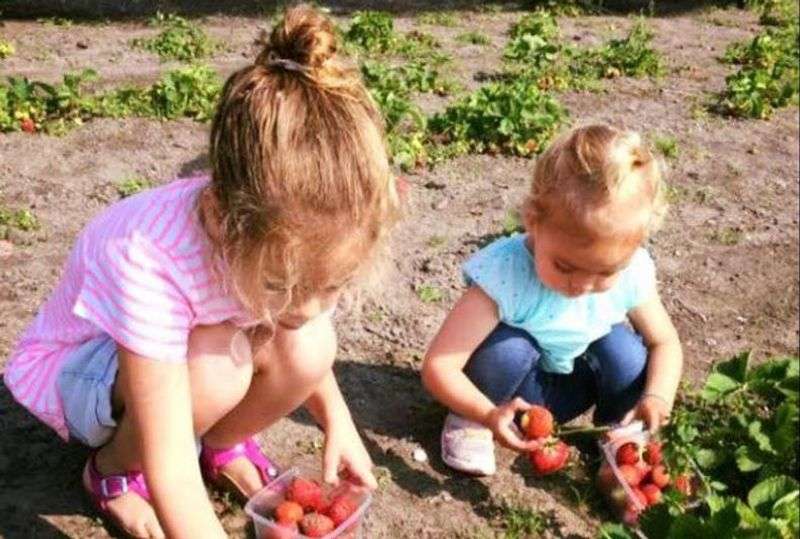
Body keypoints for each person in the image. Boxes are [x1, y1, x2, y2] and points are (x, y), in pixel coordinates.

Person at [3, 5, 400, 537]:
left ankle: (221, 443)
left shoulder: (267, 244)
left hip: (182, 357)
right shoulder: (146, 254)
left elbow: (298, 324)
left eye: (329, 286)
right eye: (282, 287)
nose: (304, 308)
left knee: (310, 346)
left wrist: (338, 422)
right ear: (222, 218)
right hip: (83, 372)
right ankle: (113, 473)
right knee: (218, 370)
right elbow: (170, 461)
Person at [422, 124, 682, 476]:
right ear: (533, 222)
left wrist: (656, 398)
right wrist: (486, 412)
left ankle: (617, 433)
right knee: (508, 348)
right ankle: (469, 422)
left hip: (569, 391)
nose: (583, 285)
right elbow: (439, 366)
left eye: (606, 272)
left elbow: (665, 342)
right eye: (565, 266)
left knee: (625, 351)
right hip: (504, 392)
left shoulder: (632, 274)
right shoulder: (507, 273)